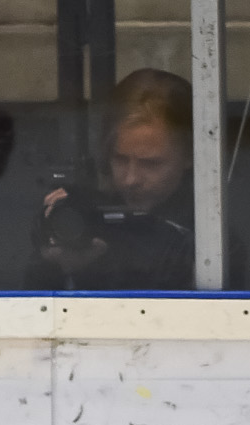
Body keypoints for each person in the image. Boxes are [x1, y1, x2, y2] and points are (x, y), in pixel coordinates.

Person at [30, 68, 195, 291]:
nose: (130, 179)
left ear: (190, 156)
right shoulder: (88, 220)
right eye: (120, 159)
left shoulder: (213, 241)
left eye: (151, 163)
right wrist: (56, 264)